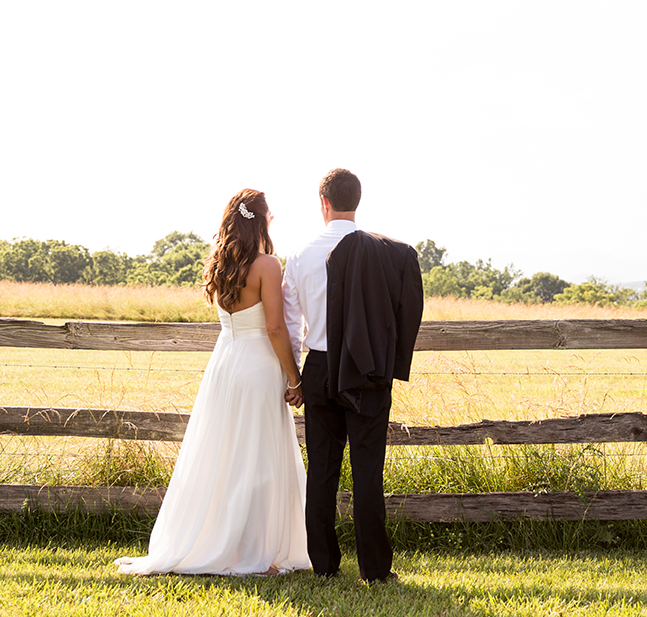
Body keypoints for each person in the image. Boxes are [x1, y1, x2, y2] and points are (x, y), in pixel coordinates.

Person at [115, 189, 310, 576]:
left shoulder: (221, 264)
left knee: (224, 456)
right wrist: (295, 377)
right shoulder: (267, 265)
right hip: (257, 367)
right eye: (270, 217)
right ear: (263, 220)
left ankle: (228, 542)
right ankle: (256, 552)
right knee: (258, 461)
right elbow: (274, 327)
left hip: (224, 365)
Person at [282, 169, 423, 584]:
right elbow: (406, 314)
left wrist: (295, 378)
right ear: (356, 201)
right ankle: (375, 570)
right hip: (368, 370)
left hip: (320, 367)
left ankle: (324, 564)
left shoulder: (300, 254)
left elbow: (291, 326)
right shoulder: (388, 252)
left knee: (321, 469)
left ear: (322, 202)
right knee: (367, 470)